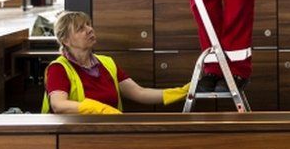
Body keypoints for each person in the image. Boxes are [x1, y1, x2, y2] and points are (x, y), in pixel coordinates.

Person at [43, 11, 190, 115]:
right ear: (66, 40)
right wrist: (98, 109)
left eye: (88, 25)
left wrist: (184, 92)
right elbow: (59, 105)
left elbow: (140, 93)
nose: (89, 30)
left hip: (110, 133)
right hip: (73, 139)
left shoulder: (107, 63)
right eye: (80, 28)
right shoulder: (59, 68)